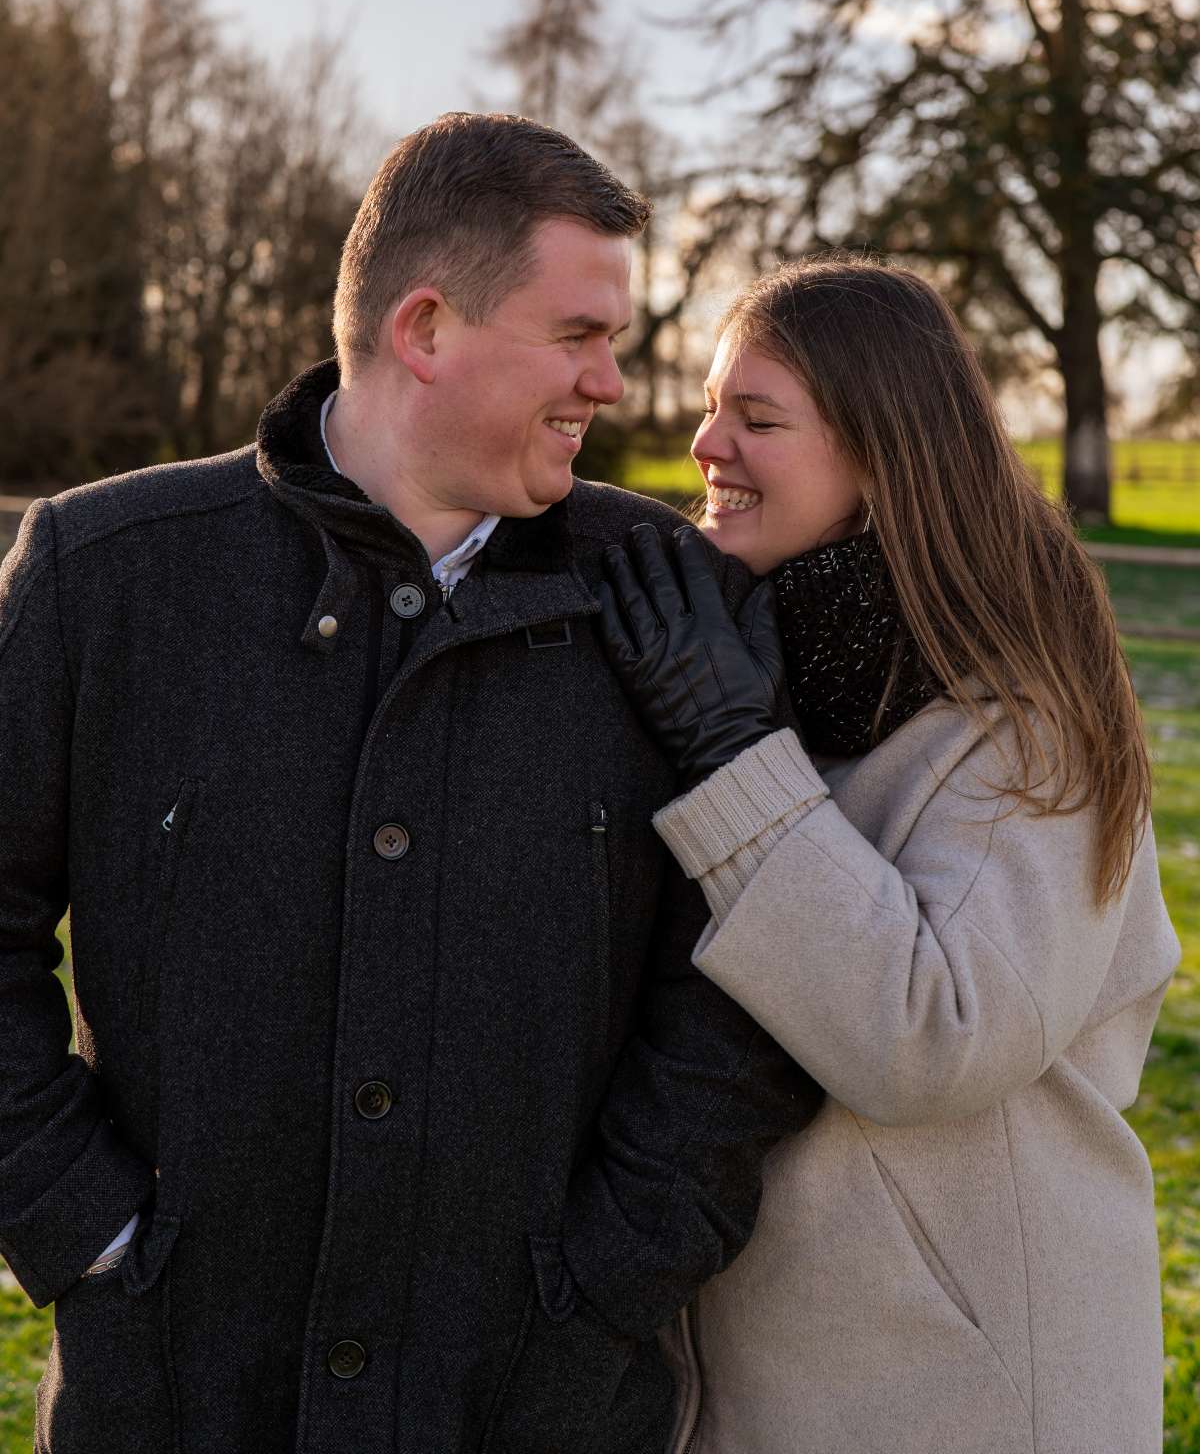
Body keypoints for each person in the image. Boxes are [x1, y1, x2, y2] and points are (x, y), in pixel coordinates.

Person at [0, 113, 815, 1454]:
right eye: (580, 334)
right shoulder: (105, 576)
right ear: (425, 329)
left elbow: (739, 993)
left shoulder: (675, 603)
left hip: (539, 1403)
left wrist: (606, 1285)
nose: (613, 383)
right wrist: (80, 1225)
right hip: (175, 1395)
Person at [600, 256, 1181, 1454]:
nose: (707, 444)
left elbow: (935, 1036)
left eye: (758, 418)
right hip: (755, 1388)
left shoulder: (1026, 722)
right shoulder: (773, 673)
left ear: (885, 455)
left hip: (959, 1394)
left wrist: (731, 755)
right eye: (713, 405)